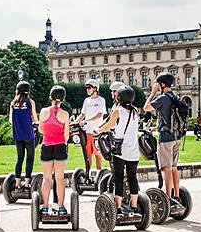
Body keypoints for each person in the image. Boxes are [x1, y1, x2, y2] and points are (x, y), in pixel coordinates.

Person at [98, 85, 141, 216]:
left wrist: (98, 130)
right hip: (133, 151)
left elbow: (109, 125)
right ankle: (134, 207)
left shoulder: (118, 110)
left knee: (119, 178)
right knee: (132, 178)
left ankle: (117, 207)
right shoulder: (135, 111)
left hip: (120, 150)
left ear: (120, 97)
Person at [143, 72, 183, 207]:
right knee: (174, 168)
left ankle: (167, 198)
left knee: (166, 168)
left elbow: (146, 108)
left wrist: (152, 93)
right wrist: (157, 128)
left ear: (162, 84)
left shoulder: (163, 98)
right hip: (177, 137)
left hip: (166, 139)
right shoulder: (174, 97)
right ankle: (177, 196)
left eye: (158, 84)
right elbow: (169, 118)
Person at [39, 85, 69, 215]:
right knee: (60, 179)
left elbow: (41, 129)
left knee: (47, 178)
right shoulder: (65, 114)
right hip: (60, 146)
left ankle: (45, 206)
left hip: (46, 145)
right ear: (62, 99)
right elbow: (66, 135)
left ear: (51, 97)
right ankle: (61, 207)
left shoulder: (43, 112)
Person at [9, 81, 38, 191]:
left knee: (19, 158)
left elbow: (10, 120)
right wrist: (36, 123)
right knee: (29, 158)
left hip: (18, 135)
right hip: (28, 135)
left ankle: (17, 184)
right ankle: (27, 184)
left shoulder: (13, 103)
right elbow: (35, 118)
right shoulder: (30, 102)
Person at [75, 79, 106, 170]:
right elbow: (82, 114)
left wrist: (86, 121)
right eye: (87, 88)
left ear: (95, 88)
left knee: (97, 154)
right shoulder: (86, 101)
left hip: (97, 132)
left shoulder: (101, 100)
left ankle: (98, 174)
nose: (87, 90)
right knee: (88, 155)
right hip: (87, 132)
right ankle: (88, 174)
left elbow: (99, 115)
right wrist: (74, 122)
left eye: (89, 88)